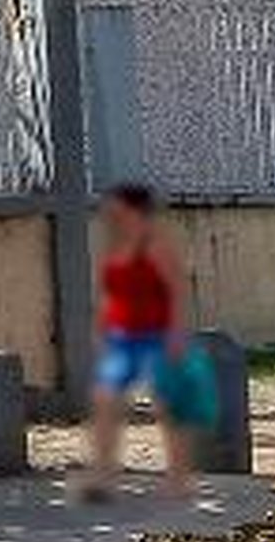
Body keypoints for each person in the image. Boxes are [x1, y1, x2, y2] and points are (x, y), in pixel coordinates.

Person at [79, 181, 200, 501]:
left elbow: (177, 292)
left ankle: (179, 478)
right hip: (122, 338)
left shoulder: (157, 247)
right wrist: (100, 329)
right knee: (106, 401)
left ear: (135, 211)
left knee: (167, 406)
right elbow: (109, 295)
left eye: (116, 209)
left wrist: (177, 334)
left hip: (156, 337)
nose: (109, 215)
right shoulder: (114, 247)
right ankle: (103, 476)